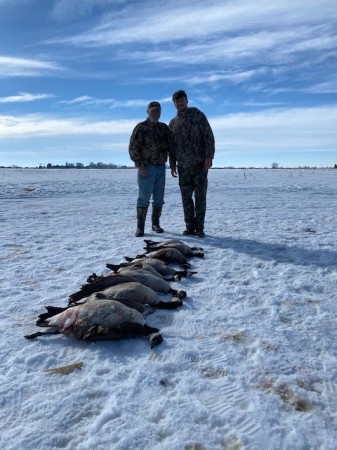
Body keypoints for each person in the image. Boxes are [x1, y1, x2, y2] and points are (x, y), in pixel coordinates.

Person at [169, 90, 215, 238]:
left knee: (200, 198)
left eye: (182, 100)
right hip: (183, 166)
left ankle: (199, 228)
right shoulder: (173, 123)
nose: (179, 103)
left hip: (199, 164)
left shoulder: (198, 115)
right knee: (186, 199)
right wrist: (172, 164)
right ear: (174, 104)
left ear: (187, 100)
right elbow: (171, 147)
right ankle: (189, 227)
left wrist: (209, 157)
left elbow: (208, 136)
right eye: (177, 101)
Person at [129, 101, 173, 237]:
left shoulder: (164, 128)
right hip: (146, 168)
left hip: (160, 167)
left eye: (158, 110)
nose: (156, 113)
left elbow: (171, 147)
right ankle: (140, 227)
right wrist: (140, 165)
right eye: (153, 110)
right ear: (147, 112)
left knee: (159, 198)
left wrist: (173, 163)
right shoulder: (141, 127)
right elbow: (133, 148)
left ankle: (155, 224)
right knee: (144, 198)